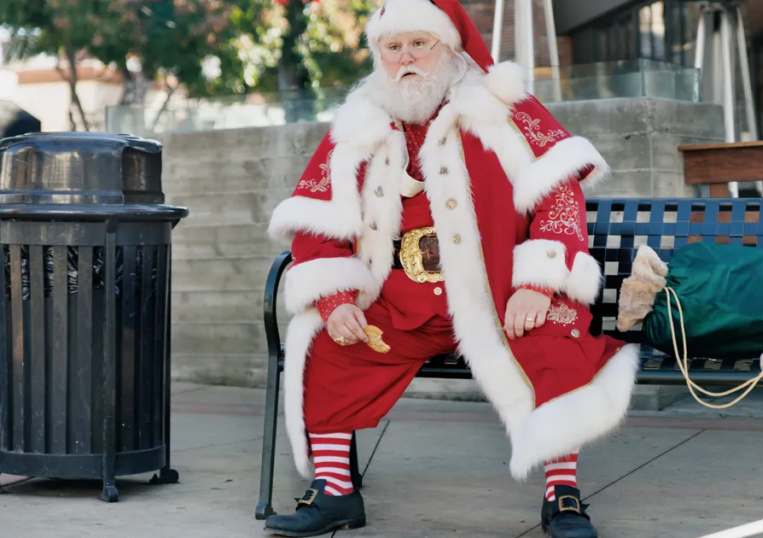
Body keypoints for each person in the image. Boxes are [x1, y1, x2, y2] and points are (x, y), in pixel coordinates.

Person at [264, 1, 639, 536]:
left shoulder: (503, 107)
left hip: (499, 293)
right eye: (393, 48)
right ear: (379, 55)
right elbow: (317, 224)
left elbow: (559, 198)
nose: (407, 59)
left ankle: (563, 495)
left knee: (556, 339)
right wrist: (334, 297)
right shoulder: (357, 123)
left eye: (420, 43)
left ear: (449, 46)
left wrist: (537, 283)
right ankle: (335, 493)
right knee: (328, 341)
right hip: (398, 301)